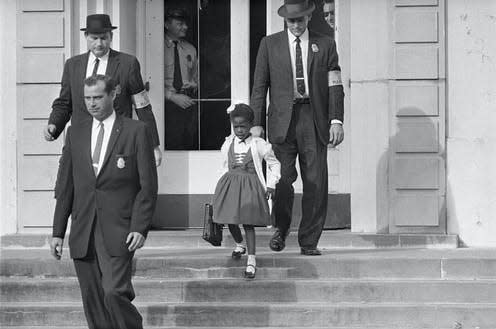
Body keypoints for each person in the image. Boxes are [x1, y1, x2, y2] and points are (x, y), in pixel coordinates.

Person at [49, 75, 158, 329]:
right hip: (83, 229)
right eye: (87, 98)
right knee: (94, 301)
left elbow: (148, 187)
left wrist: (139, 227)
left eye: (98, 97)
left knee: (114, 292)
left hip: (120, 230)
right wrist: (57, 232)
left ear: (113, 95)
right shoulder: (74, 133)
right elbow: (66, 186)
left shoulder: (136, 131)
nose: (92, 103)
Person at [250, 0, 345, 256]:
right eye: (291, 21)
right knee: (281, 180)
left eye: (300, 20)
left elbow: (335, 85)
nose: (295, 25)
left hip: (314, 119)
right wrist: (256, 124)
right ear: (284, 20)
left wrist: (336, 120)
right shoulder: (269, 45)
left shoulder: (325, 43)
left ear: (308, 17)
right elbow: (259, 87)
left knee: (315, 181)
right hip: (282, 122)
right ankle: (280, 230)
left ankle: (309, 240)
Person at [44, 14, 162, 166]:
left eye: (104, 38)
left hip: (117, 143)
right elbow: (64, 103)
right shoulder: (72, 65)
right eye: (94, 38)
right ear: (86, 36)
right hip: (81, 142)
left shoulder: (128, 64)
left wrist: (153, 145)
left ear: (111, 36)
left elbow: (142, 106)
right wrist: (54, 124)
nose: (99, 43)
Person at [212, 104, 280, 279]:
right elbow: (224, 165)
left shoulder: (259, 144)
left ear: (251, 125)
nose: (239, 130)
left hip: (250, 186)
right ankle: (239, 243)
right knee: (230, 219)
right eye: (236, 127)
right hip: (231, 185)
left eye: (243, 126)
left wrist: (272, 184)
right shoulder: (228, 144)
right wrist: (220, 188)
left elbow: (274, 164)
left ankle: (251, 259)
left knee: (248, 222)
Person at [164, 8, 199, 150]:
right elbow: (150, 81)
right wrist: (171, 96)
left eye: (185, 24)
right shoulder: (156, 48)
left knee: (189, 143)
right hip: (166, 105)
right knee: (172, 145)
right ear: (167, 24)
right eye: (180, 23)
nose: (185, 27)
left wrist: (193, 89)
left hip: (188, 103)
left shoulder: (190, 49)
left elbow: (195, 77)